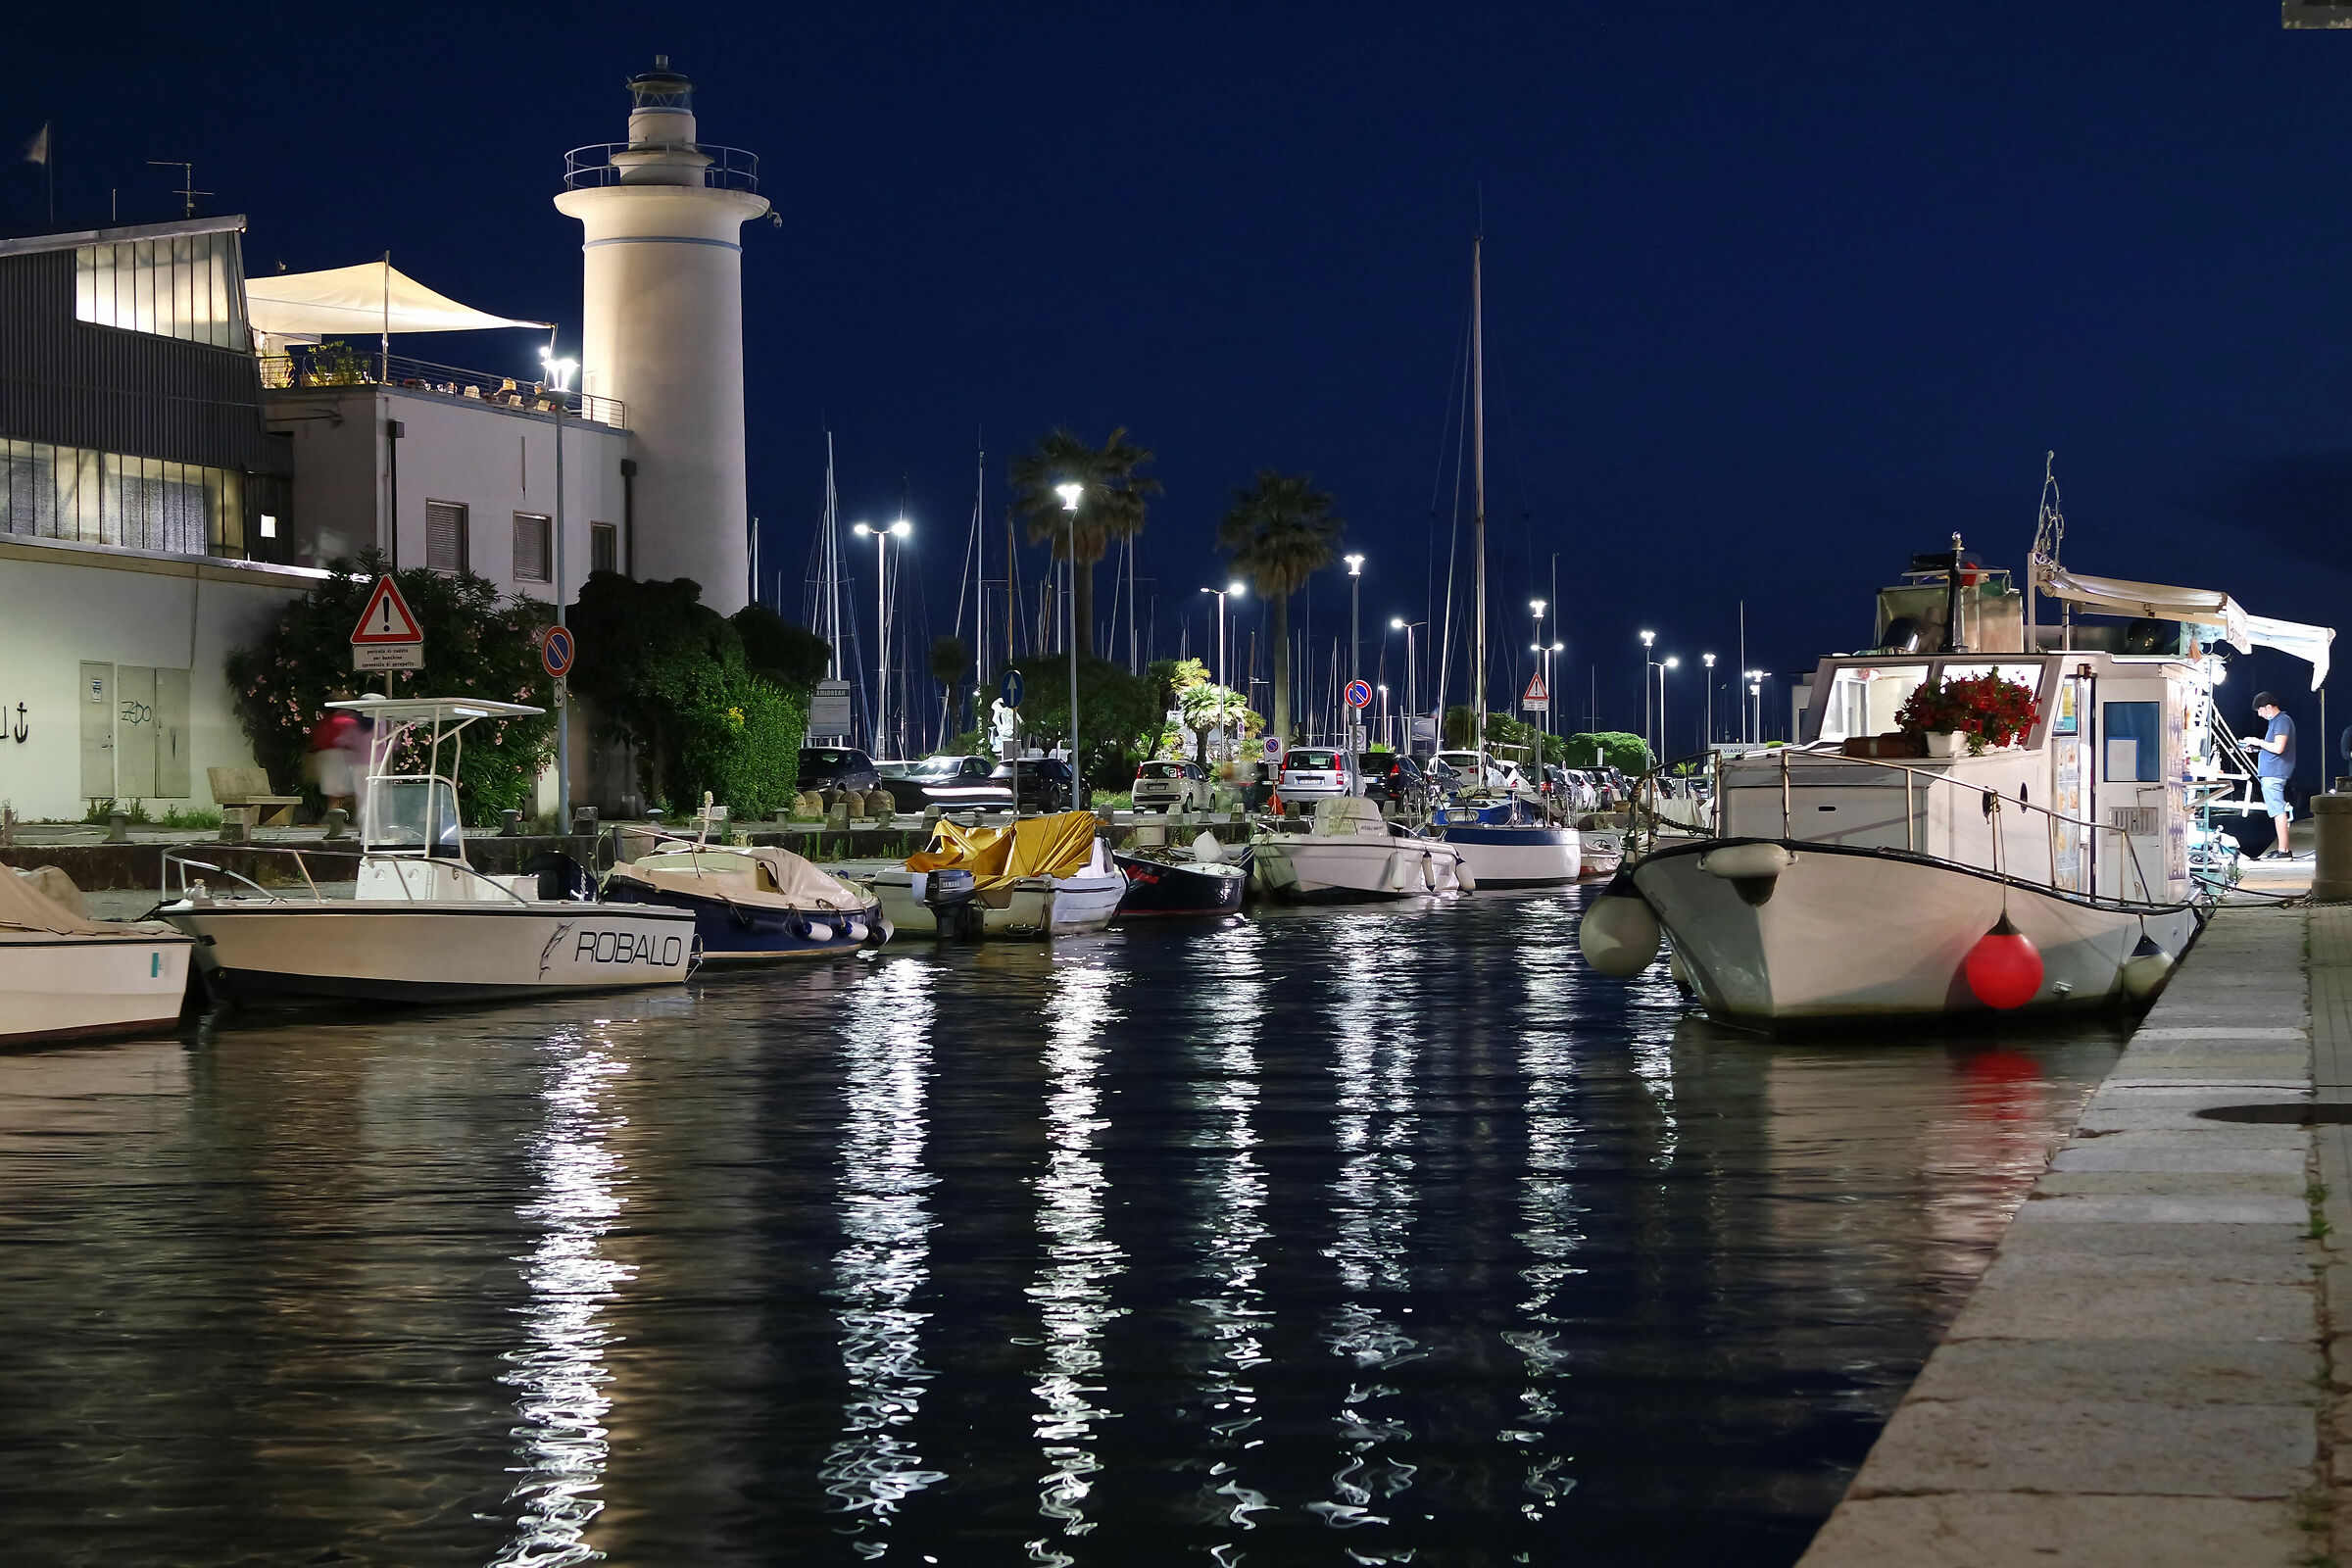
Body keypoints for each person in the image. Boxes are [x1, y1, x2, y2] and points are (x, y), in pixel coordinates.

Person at [2247, 692, 2298, 859]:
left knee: (2277, 810)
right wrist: (2257, 749)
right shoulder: (2276, 722)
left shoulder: (2282, 721)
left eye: (2260, 710)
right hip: (2272, 772)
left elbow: (2278, 748)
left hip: (2275, 773)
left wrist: (2258, 742)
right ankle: (2282, 849)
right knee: (2276, 809)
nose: (2259, 714)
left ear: (2268, 707)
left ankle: (2284, 850)